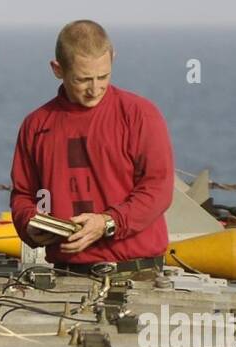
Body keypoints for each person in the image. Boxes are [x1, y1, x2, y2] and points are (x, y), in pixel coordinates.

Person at [10, 20, 174, 273]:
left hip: (138, 274)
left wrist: (108, 222)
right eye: (83, 79)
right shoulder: (36, 125)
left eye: (103, 76)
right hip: (65, 277)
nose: (95, 89)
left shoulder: (140, 115)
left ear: (113, 58)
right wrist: (30, 226)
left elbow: (158, 188)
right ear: (57, 69)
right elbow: (23, 196)